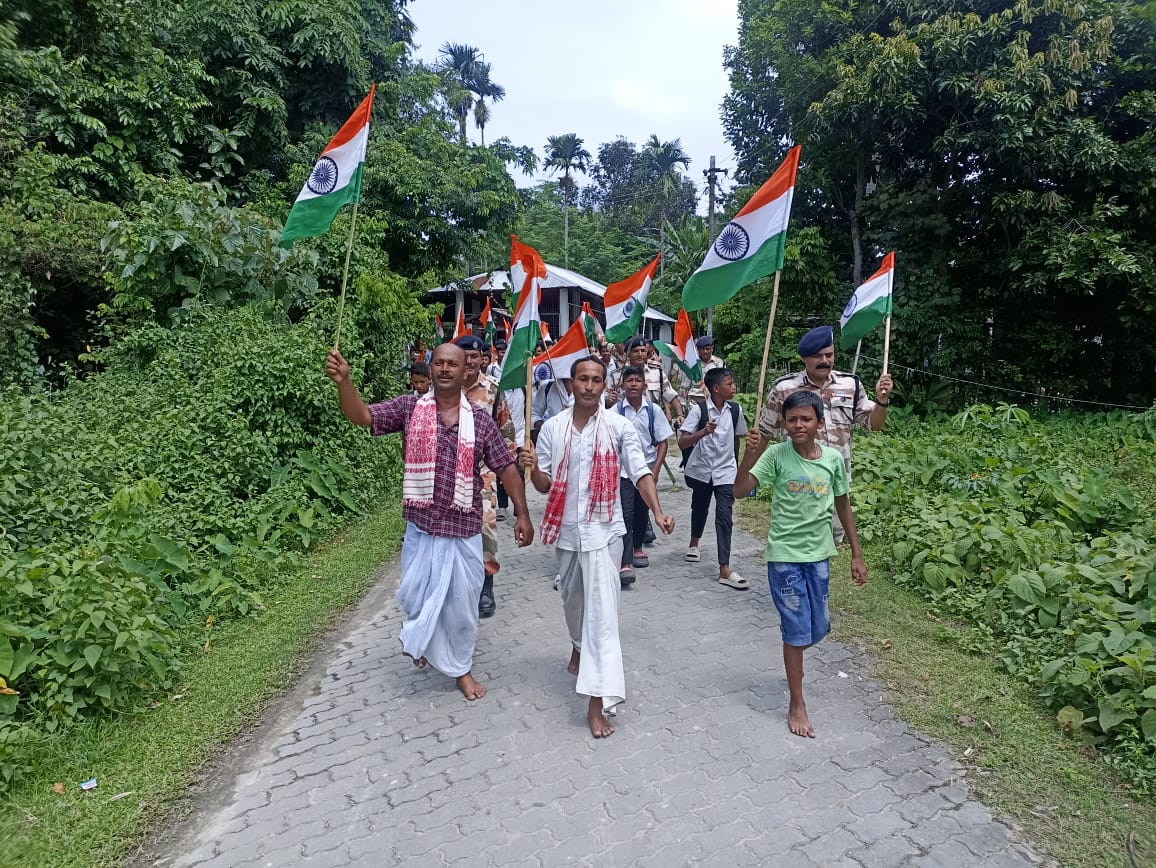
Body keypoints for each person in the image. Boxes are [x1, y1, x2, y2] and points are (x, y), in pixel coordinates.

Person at [325, 343, 534, 700]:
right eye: (438, 363)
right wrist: (344, 382)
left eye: (452, 363)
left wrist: (523, 513)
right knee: (418, 598)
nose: (445, 369)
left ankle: (461, 670)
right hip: (421, 528)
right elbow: (362, 416)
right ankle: (425, 641)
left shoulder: (480, 420)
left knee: (464, 607)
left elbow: (506, 467)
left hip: (464, 530)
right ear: (431, 369)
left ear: (465, 368)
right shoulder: (409, 408)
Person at [518, 357, 676, 738]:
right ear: (570, 384)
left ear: (606, 386)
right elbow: (542, 484)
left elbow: (639, 471)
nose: (589, 386)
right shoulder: (552, 429)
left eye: (597, 380)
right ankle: (576, 646)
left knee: (603, 622)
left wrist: (657, 511)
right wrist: (530, 466)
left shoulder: (620, 427)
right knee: (574, 606)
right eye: (583, 379)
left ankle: (597, 702)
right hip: (568, 536)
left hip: (606, 535)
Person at [735, 390, 868, 737]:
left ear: (819, 423)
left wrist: (856, 554)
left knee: (818, 627)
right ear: (783, 423)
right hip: (784, 557)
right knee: (796, 631)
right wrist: (748, 456)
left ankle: (793, 647)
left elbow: (843, 505)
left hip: (820, 555)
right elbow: (740, 490)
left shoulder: (833, 460)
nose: (797, 425)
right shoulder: (776, 455)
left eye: (805, 418)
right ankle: (797, 701)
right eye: (791, 419)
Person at [759, 325, 893, 544]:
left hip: (835, 484)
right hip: (798, 485)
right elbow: (765, 433)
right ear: (804, 358)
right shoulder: (785, 388)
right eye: (817, 356)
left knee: (829, 548)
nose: (824, 360)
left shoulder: (850, 384)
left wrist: (882, 401)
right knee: (796, 545)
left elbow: (873, 424)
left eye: (829, 355)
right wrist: (749, 476)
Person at [679, 367, 749, 590]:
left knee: (724, 517)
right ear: (716, 388)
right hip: (701, 469)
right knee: (700, 506)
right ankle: (694, 542)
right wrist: (703, 433)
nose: (734, 387)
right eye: (730, 384)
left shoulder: (735, 410)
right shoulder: (699, 411)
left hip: (726, 471)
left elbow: (738, 439)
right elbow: (682, 442)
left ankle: (724, 569)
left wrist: (738, 469)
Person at [454, 335, 504, 618]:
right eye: (465, 356)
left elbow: (504, 428)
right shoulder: (442, 390)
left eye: (474, 356)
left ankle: (487, 585)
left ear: (481, 358)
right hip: (449, 472)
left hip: (483, 472)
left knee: (485, 526)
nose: (470, 361)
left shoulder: (493, 390)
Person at [612, 365, 673, 587]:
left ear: (644, 385)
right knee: (625, 514)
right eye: (630, 381)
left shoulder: (653, 411)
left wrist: (655, 470)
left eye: (638, 381)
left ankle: (637, 547)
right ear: (623, 385)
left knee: (641, 512)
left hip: (645, 472)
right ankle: (625, 562)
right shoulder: (616, 411)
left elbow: (663, 441)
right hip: (623, 472)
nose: (634, 384)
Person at [685, 335, 725, 402]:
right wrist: (682, 404)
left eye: (707, 349)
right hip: (695, 401)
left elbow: (723, 383)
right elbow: (685, 386)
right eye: (702, 349)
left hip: (714, 401)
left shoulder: (719, 363)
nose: (705, 351)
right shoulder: (692, 364)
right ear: (698, 350)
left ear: (712, 349)